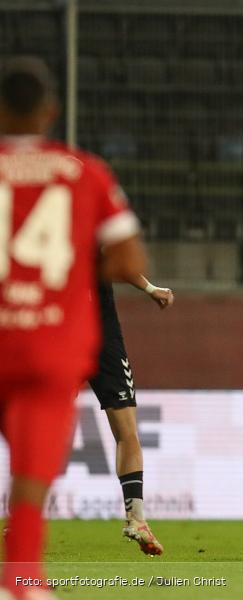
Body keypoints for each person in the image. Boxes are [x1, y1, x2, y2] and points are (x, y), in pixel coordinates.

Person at [0, 57, 147, 598]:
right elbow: (127, 256)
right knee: (34, 460)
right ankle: (21, 579)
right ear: (49, 111)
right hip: (48, 341)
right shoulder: (81, 171)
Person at [89, 276, 172, 556]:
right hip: (101, 338)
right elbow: (120, 262)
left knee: (44, 427)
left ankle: (22, 516)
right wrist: (151, 288)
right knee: (127, 433)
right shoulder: (92, 231)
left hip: (58, 332)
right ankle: (136, 519)